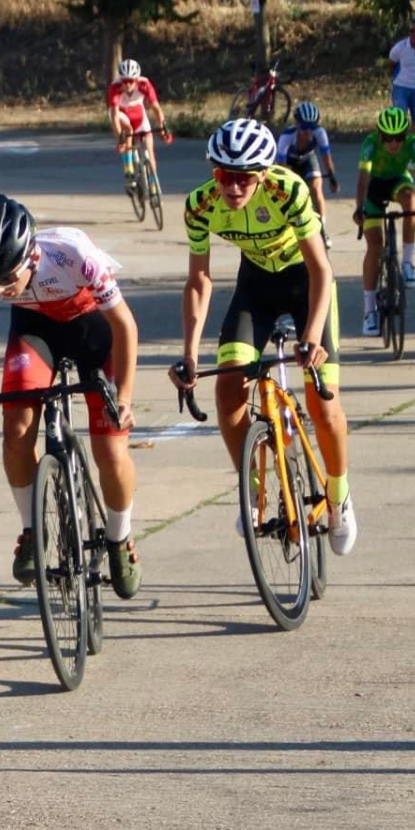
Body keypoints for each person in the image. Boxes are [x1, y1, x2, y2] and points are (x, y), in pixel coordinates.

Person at [171, 119, 356, 556]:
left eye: (243, 178)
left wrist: (312, 336)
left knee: (322, 403)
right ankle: (251, 490)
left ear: (261, 174)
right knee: (228, 388)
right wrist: (189, 355)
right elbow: (199, 281)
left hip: (304, 282)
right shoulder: (199, 205)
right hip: (255, 287)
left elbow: (321, 270)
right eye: (223, 176)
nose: (232, 188)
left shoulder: (287, 189)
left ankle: (340, 494)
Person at [0, 196, 142, 598]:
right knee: (17, 429)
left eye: (7, 280)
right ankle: (30, 530)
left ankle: (120, 538)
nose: (0, 291)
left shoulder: (73, 253)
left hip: (93, 333)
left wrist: (125, 396)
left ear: (31, 256)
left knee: (111, 451)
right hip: (36, 333)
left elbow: (124, 326)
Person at [355, 106, 415, 332]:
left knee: (411, 200)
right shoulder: (369, 144)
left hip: (398, 182)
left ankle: (407, 264)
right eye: (388, 138)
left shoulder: (413, 145)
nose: (394, 143)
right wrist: (360, 209)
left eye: (399, 137)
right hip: (373, 189)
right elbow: (362, 180)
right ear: (380, 135)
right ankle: (369, 312)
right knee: (375, 246)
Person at [275, 101, 339, 247]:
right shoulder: (286, 137)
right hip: (288, 164)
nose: (308, 131)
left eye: (312, 127)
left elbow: (325, 156)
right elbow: (281, 167)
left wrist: (332, 177)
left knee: (316, 190)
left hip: (307, 159)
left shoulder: (320, 133)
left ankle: (322, 230)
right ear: (297, 124)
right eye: (304, 127)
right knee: (287, 195)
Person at [106, 59, 169, 184]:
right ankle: (128, 167)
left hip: (139, 115)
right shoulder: (115, 87)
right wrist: (119, 137)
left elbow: (156, 108)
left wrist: (162, 126)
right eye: (125, 81)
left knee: (149, 152)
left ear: (136, 80)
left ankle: (153, 181)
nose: (128, 85)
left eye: (131, 81)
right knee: (127, 130)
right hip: (122, 114)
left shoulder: (144, 84)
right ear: (121, 80)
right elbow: (114, 116)